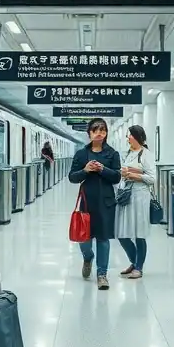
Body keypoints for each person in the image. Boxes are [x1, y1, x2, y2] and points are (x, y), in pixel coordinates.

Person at [68, 118, 121, 290]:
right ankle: (88, 257)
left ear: (106, 133)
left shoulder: (112, 154)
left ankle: (102, 274)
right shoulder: (81, 154)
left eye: (103, 130)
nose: (99, 133)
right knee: (84, 238)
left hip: (106, 202)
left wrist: (102, 169)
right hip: (87, 201)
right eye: (95, 130)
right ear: (89, 133)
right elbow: (72, 177)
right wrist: (85, 170)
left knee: (103, 238)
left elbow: (117, 177)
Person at [116, 125, 155, 279]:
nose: (128, 138)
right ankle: (134, 261)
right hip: (126, 195)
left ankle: (139, 267)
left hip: (140, 196)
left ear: (137, 136)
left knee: (139, 233)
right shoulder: (128, 153)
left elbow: (152, 178)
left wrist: (133, 174)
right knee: (122, 233)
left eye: (130, 135)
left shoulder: (146, 154)